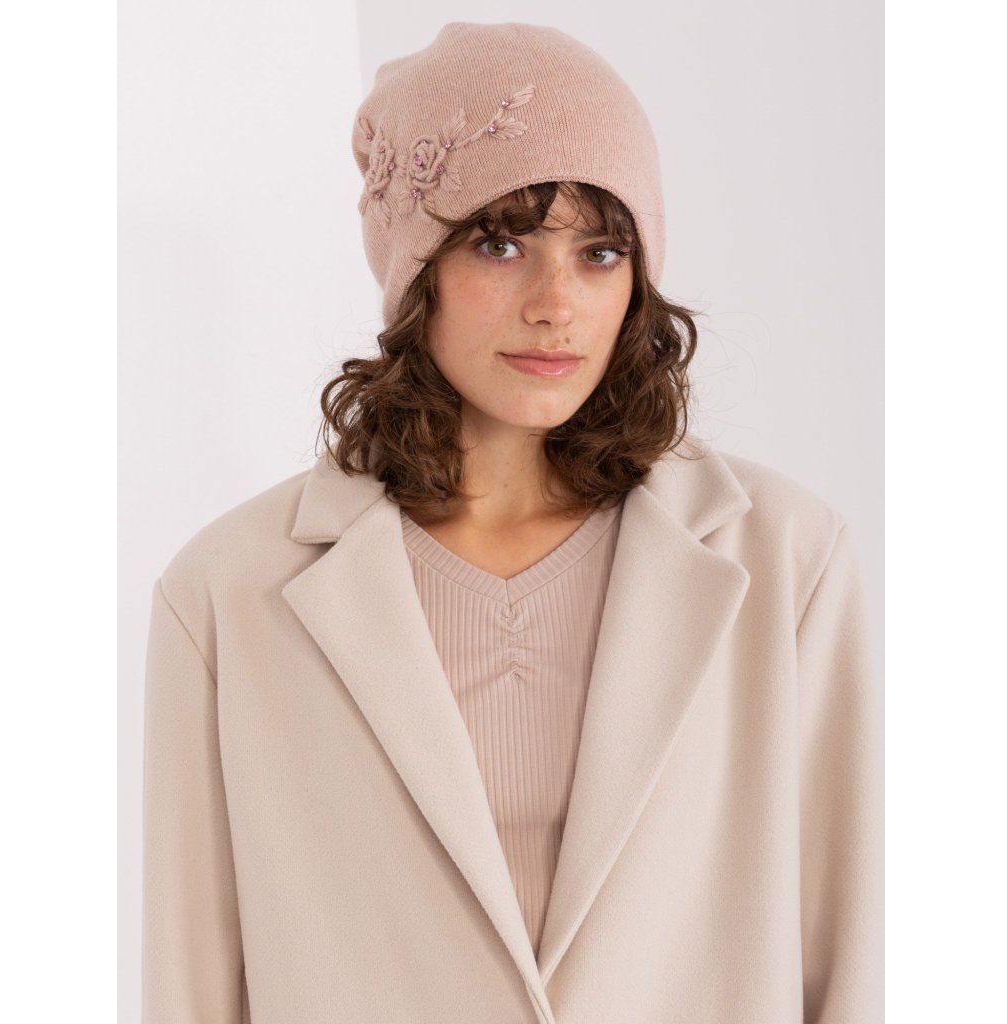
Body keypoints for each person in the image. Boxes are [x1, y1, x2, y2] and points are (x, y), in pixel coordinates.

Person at [141, 22, 884, 1024]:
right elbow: (192, 986)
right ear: (417, 269)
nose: (555, 304)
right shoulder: (227, 593)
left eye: (600, 251)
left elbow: (847, 961)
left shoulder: (788, 560)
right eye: (499, 243)